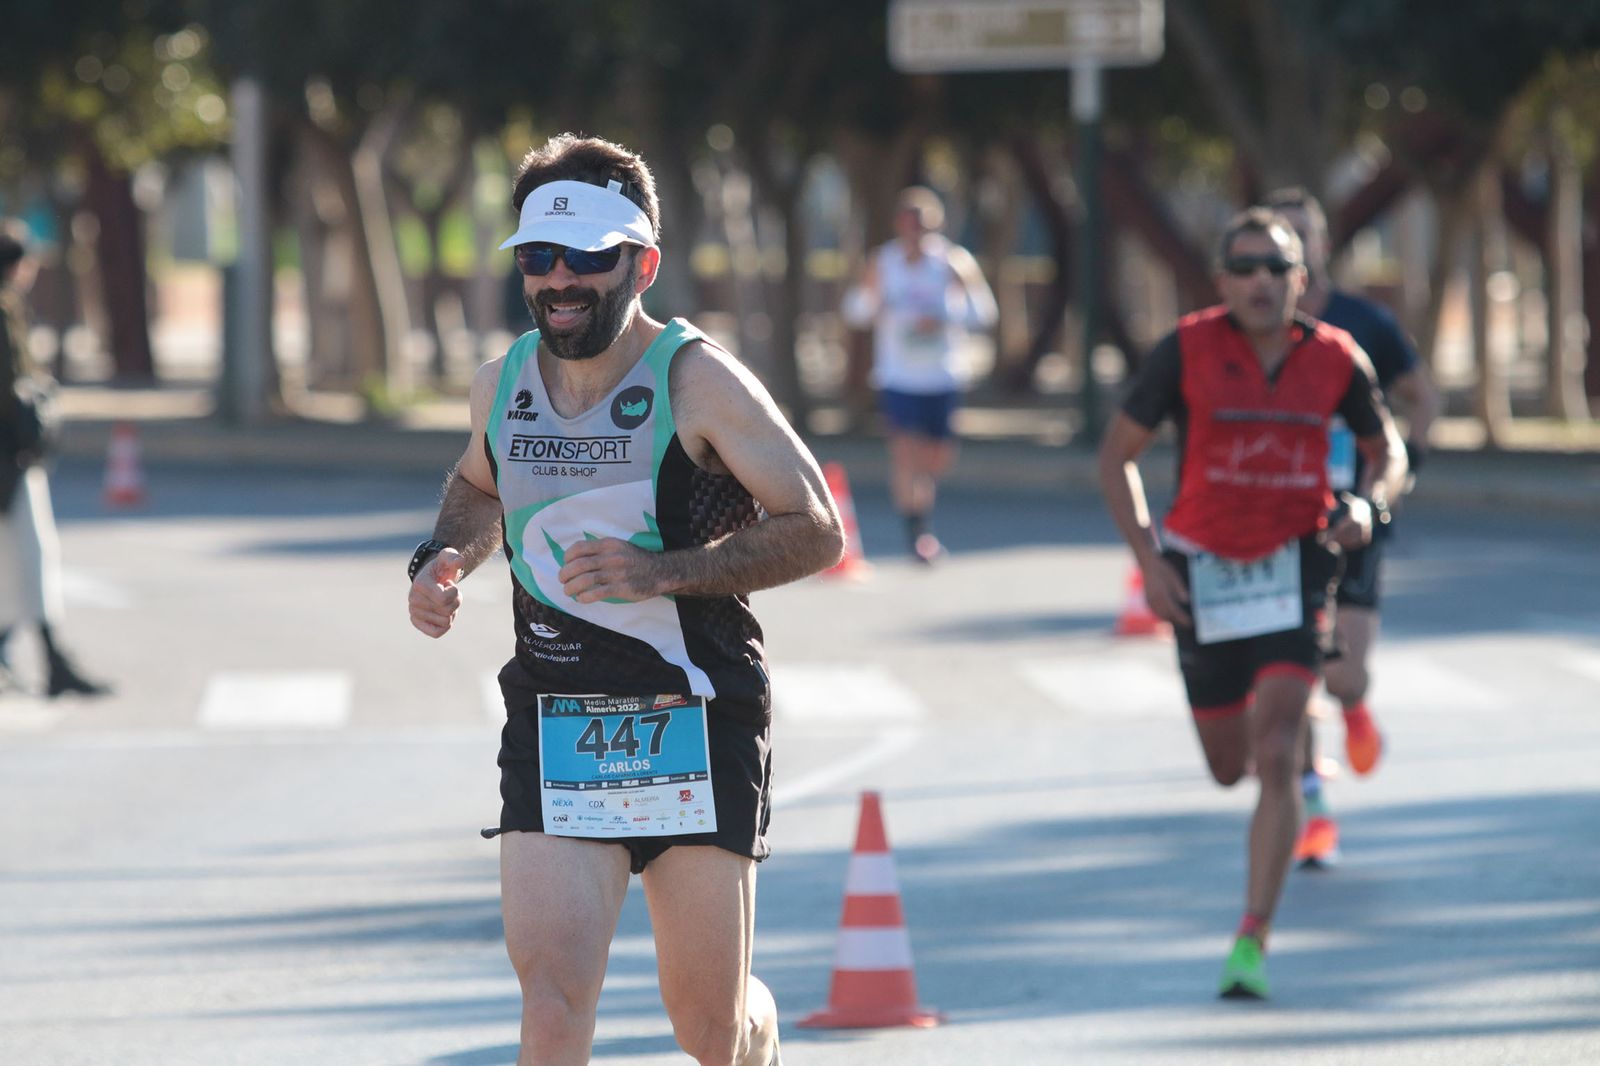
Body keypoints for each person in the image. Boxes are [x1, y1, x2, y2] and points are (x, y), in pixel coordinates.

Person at [406, 133, 844, 1066]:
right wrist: (443, 557)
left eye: (590, 259)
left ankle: (757, 1032)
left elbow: (816, 528)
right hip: (559, 715)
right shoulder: (504, 383)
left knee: (708, 1030)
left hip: (693, 709)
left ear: (640, 262)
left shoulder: (700, 381)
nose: (561, 280)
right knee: (553, 1008)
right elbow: (479, 487)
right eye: (539, 257)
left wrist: (665, 572)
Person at [1097, 207, 1406, 1000]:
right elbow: (1116, 458)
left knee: (1276, 753)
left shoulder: (1335, 357)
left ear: (1302, 279)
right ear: (1223, 279)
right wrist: (1151, 563)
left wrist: (1369, 506)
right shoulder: (1187, 349)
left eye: (1277, 267)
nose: (1261, 281)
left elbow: (1387, 450)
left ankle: (1252, 939)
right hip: (1202, 571)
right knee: (1229, 765)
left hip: (1296, 567)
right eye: (1245, 267)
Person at [1263, 187, 1442, 868]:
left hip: (1354, 520)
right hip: (1278, 524)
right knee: (1294, 671)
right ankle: (1314, 807)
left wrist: (1399, 477)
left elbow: (1422, 398)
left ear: (1322, 244)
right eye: (1277, 237)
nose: (1290, 248)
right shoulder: (1248, 334)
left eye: (1301, 234)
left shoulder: (1362, 322)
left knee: (1342, 676)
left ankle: (1357, 708)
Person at [841, 185, 997, 563]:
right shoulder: (884, 262)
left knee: (937, 457)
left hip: (941, 376)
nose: (916, 234)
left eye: (924, 227)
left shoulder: (954, 262)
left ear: (936, 226)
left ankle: (920, 515)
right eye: (910, 225)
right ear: (899, 225)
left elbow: (985, 314)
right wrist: (872, 295)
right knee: (905, 455)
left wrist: (943, 318)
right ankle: (917, 533)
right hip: (898, 377)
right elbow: (855, 312)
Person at [0, 220, 109, 699]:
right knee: (31, 556)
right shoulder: (3, 312)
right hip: (11, 459)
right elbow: (10, 391)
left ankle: (46, 656)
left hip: (12, 458)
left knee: (20, 561)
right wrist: (36, 414)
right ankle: (52, 661)